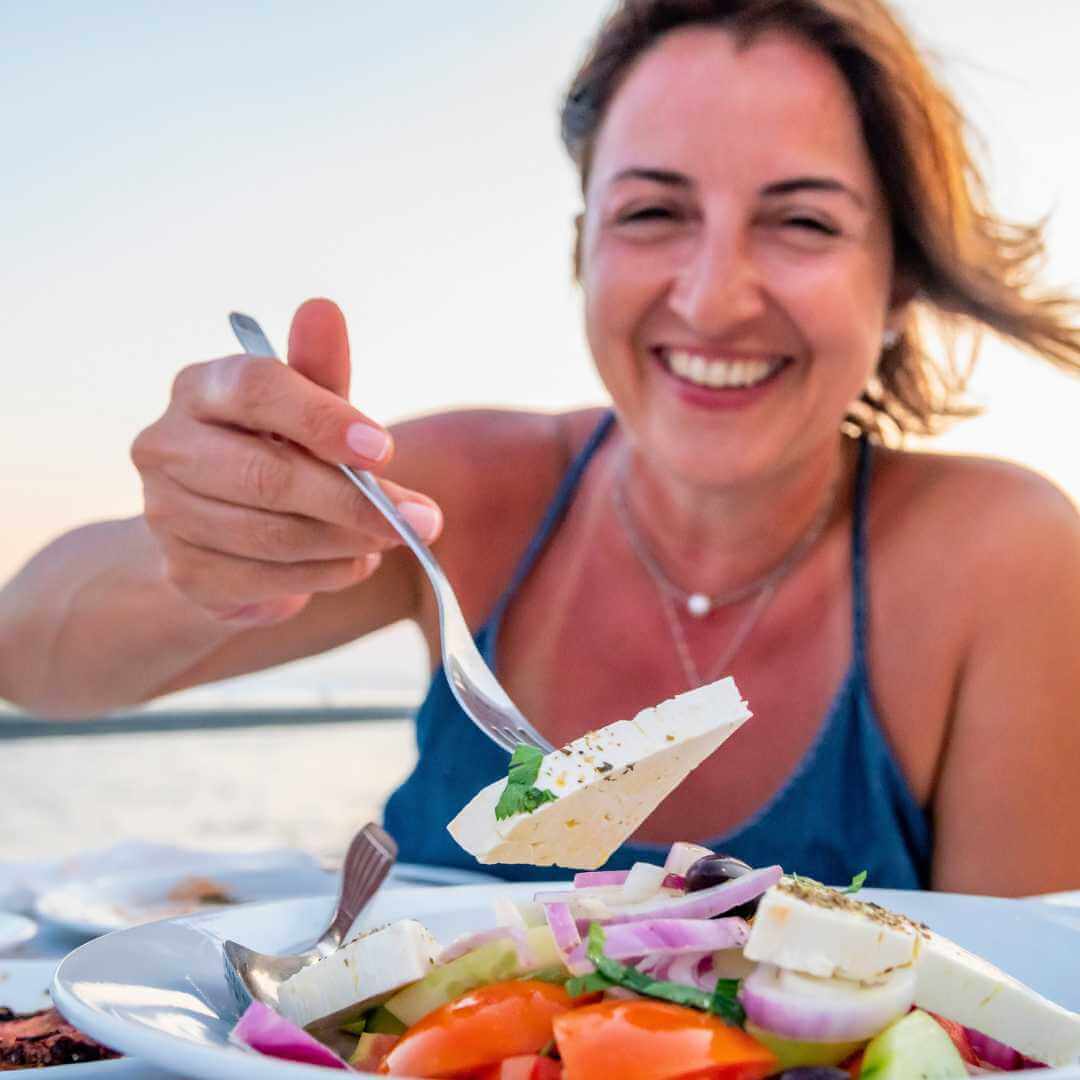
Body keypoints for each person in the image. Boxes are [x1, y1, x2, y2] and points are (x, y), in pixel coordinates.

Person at [1, 0, 1078, 896]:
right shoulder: (467, 497)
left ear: (895, 284)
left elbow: (1019, 1020)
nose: (711, 297)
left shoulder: (1004, 560)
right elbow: (29, 655)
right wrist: (205, 554)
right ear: (581, 251)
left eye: (802, 223)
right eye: (654, 210)